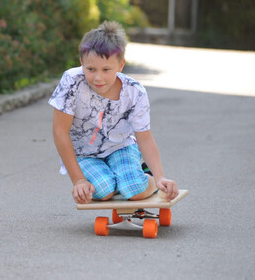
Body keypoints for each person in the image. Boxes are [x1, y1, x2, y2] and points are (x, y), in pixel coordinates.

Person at [48, 21, 178, 204]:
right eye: (90, 69)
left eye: (106, 70)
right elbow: (60, 132)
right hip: (84, 154)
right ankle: (117, 177)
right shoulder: (72, 82)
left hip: (120, 147)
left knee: (134, 190)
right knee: (102, 191)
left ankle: (141, 175)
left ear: (120, 65)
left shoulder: (134, 91)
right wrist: (78, 180)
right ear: (81, 62)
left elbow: (144, 137)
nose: (97, 77)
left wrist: (160, 177)